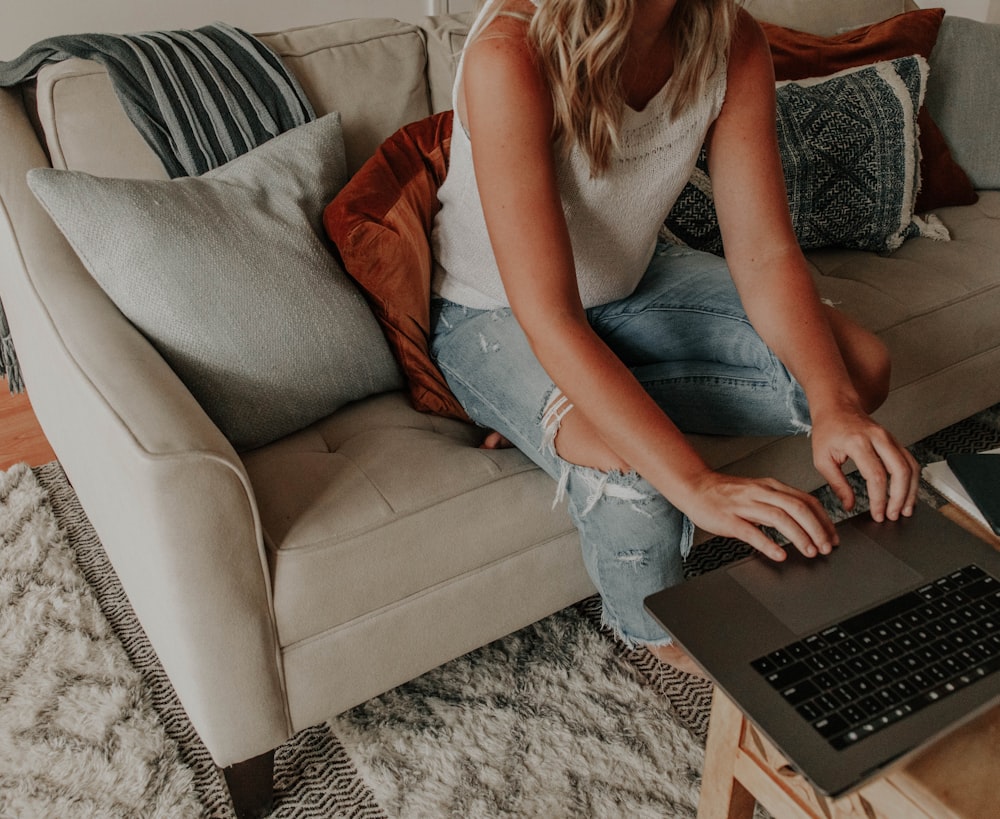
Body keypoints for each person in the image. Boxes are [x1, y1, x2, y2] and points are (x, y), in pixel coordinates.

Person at [429, 0, 920, 675]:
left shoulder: (731, 36)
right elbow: (550, 315)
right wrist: (695, 483)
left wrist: (834, 404)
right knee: (640, 480)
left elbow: (766, 254)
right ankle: (655, 628)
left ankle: (569, 418)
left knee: (857, 367)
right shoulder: (510, 54)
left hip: (635, 281)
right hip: (495, 317)